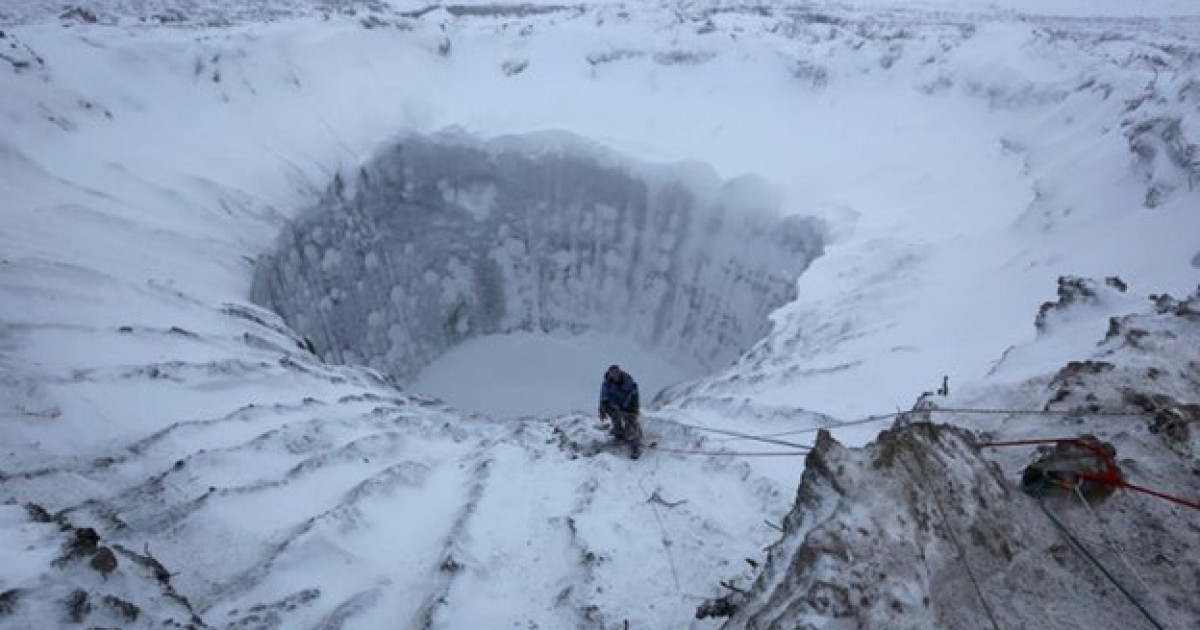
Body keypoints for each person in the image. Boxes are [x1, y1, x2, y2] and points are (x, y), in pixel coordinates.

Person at [598, 364, 642, 459]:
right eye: (613, 374)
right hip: (615, 407)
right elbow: (603, 398)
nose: (615, 376)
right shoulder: (606, 385)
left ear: (620, 373)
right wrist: (602, 410)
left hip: (629, 405)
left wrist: (634, 409)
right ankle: (619, 436)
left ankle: (635, 446)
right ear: (610, 375)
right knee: (616, 420)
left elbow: (635, 396)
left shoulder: (628, 382)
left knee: (630, 424)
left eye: (617, 373)